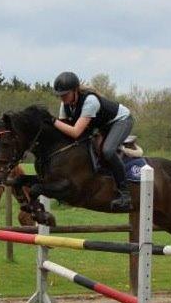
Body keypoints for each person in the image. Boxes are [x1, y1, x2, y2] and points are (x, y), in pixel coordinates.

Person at [52, 71, 133, 211]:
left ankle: (125, 194)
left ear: (75, 91)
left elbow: (75, 131)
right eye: (60, 95)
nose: (62, 98)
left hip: (121, 121)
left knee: (107, 151)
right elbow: (65, 130)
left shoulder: (90, 101)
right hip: (101, 124)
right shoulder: (65, 104)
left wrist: (52, 121)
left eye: (65, 94)